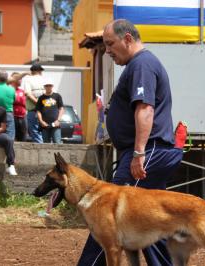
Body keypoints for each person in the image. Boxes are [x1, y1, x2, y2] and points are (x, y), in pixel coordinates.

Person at [77, 19, 183, 266]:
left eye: (110, 44)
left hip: (149, 151)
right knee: (146, 221)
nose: (107, 51)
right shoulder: (139, 64)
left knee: (108, 214)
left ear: (127, 39)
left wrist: (138, 153)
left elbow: (145, 109)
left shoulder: (142, 64)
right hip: (151, 150)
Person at [21, 63, 45, 143]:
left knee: (35, 131)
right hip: (45, 110)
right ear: (40, 71)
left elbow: (28, 93)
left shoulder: (28, 80)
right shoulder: (44, 79)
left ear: (32, 71)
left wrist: (37, 103)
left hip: (33, 110)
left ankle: (41, 148)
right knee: (44, 131)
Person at [35, 78, 64, 143]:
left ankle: (57, 154)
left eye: (50, 85)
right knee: (45, 143)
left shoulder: (57, 96)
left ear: (52, 86)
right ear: (44, 87)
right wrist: (41, 121)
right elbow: (38, 111)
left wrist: (58, 120)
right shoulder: (41, 98)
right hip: (45, 125)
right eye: (47, 85)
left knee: (57, 142)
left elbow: (61, 109)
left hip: (55, 124)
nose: (48, 87)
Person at [8, 72, 28, 141]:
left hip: (23, 117)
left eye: (21, 79)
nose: (20, 80)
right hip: (13, 117)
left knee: (23, 137)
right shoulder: (9, 90)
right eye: (19, 79)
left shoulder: (22, 91)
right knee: (13, 137)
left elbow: (25, 103)